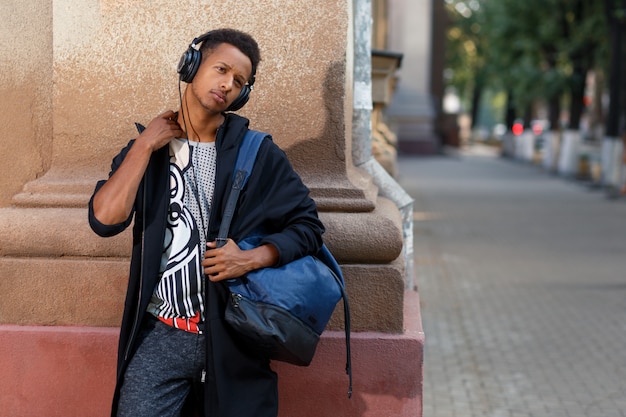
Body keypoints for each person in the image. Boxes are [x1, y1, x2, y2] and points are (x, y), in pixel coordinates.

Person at [88, 28, 325, 417]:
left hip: (234, 337)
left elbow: (309, 228)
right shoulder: (146, 151)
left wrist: (251, 258)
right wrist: (146, 145)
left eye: (240, 81)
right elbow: (104, 220)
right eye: (221, 69)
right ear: (191, 65)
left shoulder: (258, 153)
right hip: (159, 334)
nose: (228, 84)